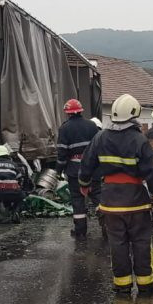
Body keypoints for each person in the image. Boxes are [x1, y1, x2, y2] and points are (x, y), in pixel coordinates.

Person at [79, 94, 153, 294]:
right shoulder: (139, 139)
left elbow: (87, 163)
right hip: (136, 201)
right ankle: (145, 284)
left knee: (117, 243)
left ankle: (122, 285)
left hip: (110, 201)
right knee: (141, 241)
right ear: (134, 113)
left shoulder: (100, 137)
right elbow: (151, 172)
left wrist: (83, 184)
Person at [56, 98, 101, 238]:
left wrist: (59, 170)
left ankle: (80, 231)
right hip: (93, 169)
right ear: (81, 111)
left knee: (78, 200)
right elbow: (99, 148)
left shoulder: (64, 128)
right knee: (98, 197)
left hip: (75, 171)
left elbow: (62, 152)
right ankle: (107, 226)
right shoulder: (92, 126)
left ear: (68, 113)